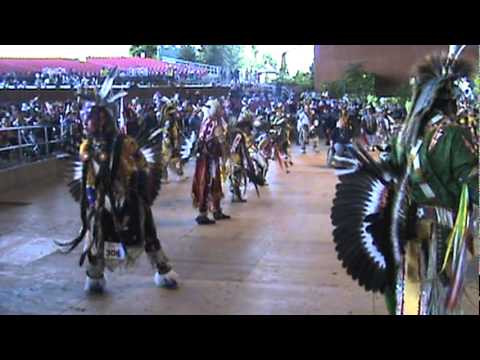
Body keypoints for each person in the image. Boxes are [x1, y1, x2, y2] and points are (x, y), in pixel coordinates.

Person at [331, 48, 478, 315]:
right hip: (441, 235)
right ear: (449, 103)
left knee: (411, 296)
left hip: (406, 231)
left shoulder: (406, 135)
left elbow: (391, 172)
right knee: (435, 297)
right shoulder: (454, 136)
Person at [56, 70, 179, 293]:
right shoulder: (88, 146)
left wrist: (139, 186)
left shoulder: (124, 143)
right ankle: (95, 274)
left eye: (94, 119)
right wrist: (92, 198)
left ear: (105, 120)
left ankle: (162, 267)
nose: (90, 123)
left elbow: (142, 164)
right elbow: (88, 177)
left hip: (128, 195)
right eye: (89, 119)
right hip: (102, 200)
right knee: (97, 235)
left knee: (146, 229)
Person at [192, 99, 231, 225]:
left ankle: (216, 210)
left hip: (208, 159)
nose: (222, 111)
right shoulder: (213, 123)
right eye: (220, 109)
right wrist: (225, 152)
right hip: (208, 160)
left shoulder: (209, 121)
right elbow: (219, 141)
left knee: (214, 183)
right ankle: (203, 213)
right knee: (207, 184)